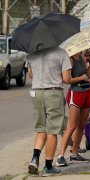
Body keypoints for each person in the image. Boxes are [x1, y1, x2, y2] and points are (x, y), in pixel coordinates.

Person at [26, 47, 71, 176]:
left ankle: (35, 158)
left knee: (41, 128)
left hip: (37, 93)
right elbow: (67, 79)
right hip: (53, 92)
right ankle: (48, 166)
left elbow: (31, 74)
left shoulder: (32, 53)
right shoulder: (61, 53)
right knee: (53, 130)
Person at [56, 50, 90, 167]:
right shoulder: (70, 59)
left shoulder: (81, 57)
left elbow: (86, 76)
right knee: (72, 126)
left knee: (82, 125)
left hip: (87, 91)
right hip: (76, 92)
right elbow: (67, 80)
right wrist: (81, 78)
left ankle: (74, 153)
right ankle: (60, 157)